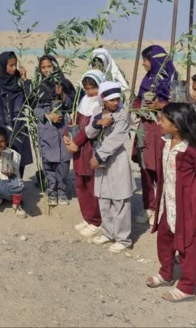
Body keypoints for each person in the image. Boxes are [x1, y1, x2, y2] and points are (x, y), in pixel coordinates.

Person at [146, 103, 196, 302]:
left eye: (163, 120)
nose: (160, 122)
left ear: (177, 124)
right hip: (167, 201)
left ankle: (186, 286)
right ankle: (166, 273)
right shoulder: (165, 142)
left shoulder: (192, 150)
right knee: (165, 239)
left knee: (188, 245)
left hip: (187, 205)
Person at [84, 81, 134, 253]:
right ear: (103, 100)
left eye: (117, 99)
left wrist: (98, 157)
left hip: (115, 160)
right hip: (100, 161)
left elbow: (116, 139)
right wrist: (98, 123)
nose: (115, 102)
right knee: (104, 198)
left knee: (120, 199)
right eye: (111, 99)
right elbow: (89, 132)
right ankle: (108, 232)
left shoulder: (122, 115)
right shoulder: (97, 112)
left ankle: (123, 238)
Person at [132, 44, 178, 225]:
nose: (143, 64)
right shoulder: (148, 79)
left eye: (146, 60)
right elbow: (138, 99)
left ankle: (162, 210)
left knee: (162, 170)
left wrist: (162, 106)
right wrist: (138, 108)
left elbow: (180, 106)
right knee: (146, 169)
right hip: (145, 129)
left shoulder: (172, 81)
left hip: (162, 131)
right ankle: (149, 207)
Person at [64, 69, 105, 238]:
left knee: (92, 185)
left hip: (90, 149)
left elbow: (92, 129)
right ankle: (87, 217)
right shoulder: (84, 101)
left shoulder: (101, 105)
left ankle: (96, 221)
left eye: (93, 88)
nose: (90, 92)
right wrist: (66, 135)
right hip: (78, 149)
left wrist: (76, 142)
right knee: (80, 184)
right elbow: (75, 120)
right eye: (87, 88)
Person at [34, 55, 75, 206]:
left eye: (49, 66)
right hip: (46, 127)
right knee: (48, 160)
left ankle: (62, 190)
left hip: (63, 126)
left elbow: (72, 104)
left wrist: (62, 93)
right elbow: (34, 108)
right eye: (43, 67)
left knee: (64, 160)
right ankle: (51, 191)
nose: (46, 70)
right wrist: (48, 115)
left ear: (56, 67)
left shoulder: (65, 83)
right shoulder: (38, 87)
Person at [0, 51, 33, 177]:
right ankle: (5, 190)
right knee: (4, 156)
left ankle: (17, 188)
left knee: (19, 157)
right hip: (3, 125)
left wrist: (25, 81)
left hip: (19, 125)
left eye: (15, 65)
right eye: (10, 65)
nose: (14, 68)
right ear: (2, 66)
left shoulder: (20, 82)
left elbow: (31, 101)